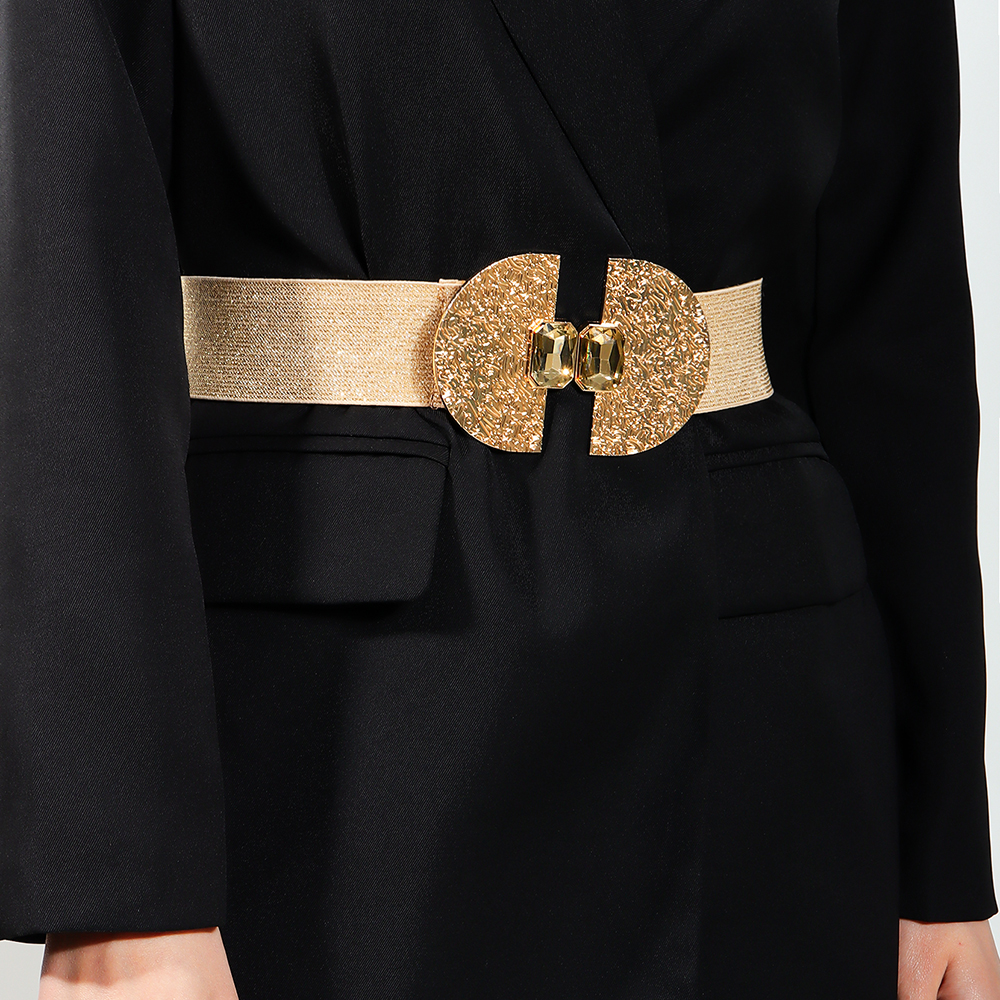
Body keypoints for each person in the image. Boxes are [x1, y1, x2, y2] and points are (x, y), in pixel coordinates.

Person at [2, 0, 998, 997]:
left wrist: (937, 848)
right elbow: (63, 292)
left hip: (766, 735)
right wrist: (124, 894)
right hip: (340, 742)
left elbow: (892, 301)